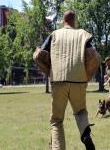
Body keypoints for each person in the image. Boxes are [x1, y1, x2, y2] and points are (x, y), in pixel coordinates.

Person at [41, 11, 95, 150]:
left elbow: (38, 55)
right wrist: (86, 75)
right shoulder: (83, 34)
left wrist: (50, 70)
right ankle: (86, 135)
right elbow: (94, 57)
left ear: (62, 21)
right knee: (81, 112)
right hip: (79, 81)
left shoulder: (54, 34)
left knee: (57, 120)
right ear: (74, 21)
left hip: (58, 81)